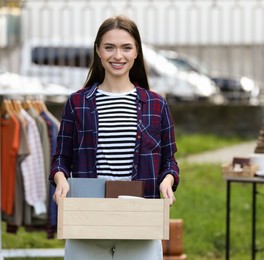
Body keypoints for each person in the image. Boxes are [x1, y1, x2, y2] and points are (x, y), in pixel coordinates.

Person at [49, 15, 180, 260]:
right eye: (109, 47)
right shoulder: (78, 103)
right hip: (88, 216)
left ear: (137, 52)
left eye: (126, 47)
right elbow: (61, 158)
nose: (117, 56)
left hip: (140, 219)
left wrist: (168, 180)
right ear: (98, 50)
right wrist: (61, 179)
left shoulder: (156, 104)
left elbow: (169, 161)